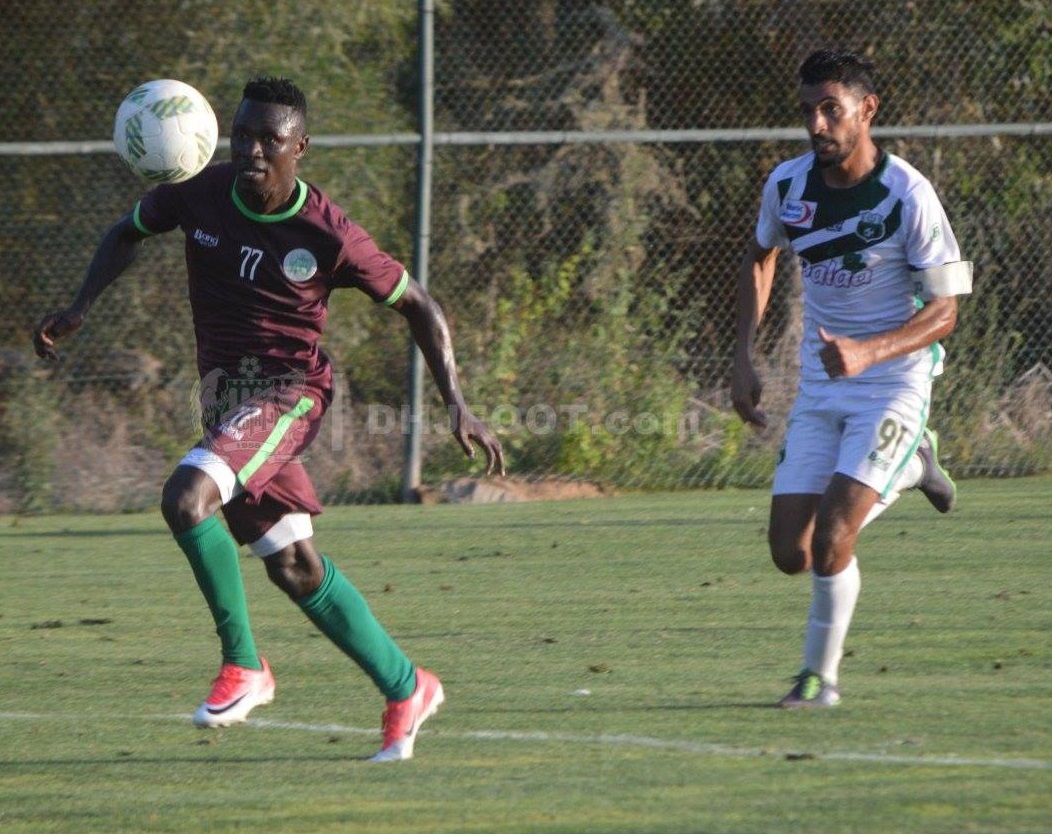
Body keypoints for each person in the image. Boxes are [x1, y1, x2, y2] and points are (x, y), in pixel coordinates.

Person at [33, 76, 505, 759]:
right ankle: (408, 687)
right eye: (243, 134)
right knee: (293, 565)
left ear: (300, 148)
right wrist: (79, 307)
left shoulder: (328, 233)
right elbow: (128, 231)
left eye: (270, 139)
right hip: (229, 404)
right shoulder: (197, 190)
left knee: (186, 498)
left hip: (290, 394)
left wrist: (457, 401)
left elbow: (419, 306)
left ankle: (244, 665)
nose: (252, 150)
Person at [731, 49, 972, 707]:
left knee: (837, 535)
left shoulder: (908, 195)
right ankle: (917, 467)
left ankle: (819, 679)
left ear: (867, 112)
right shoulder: (786, 186)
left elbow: (945, 311)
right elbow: (760, 258)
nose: (816, 123)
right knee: (792, 551)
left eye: (830, 109)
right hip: (821, 384)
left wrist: (870, 352)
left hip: (893, 382)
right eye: (808, 109)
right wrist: (743, 357)